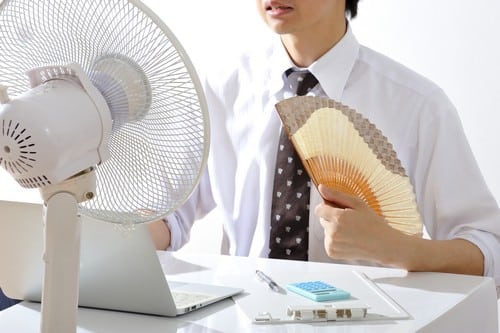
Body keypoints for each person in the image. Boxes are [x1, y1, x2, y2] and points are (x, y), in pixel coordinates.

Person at [148, 0, 500, 288]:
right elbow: (173, 217)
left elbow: (490, 250)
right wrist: (114, 236)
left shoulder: (416, 104)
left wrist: (397, 249)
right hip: (241, 317)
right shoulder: (223, 89)